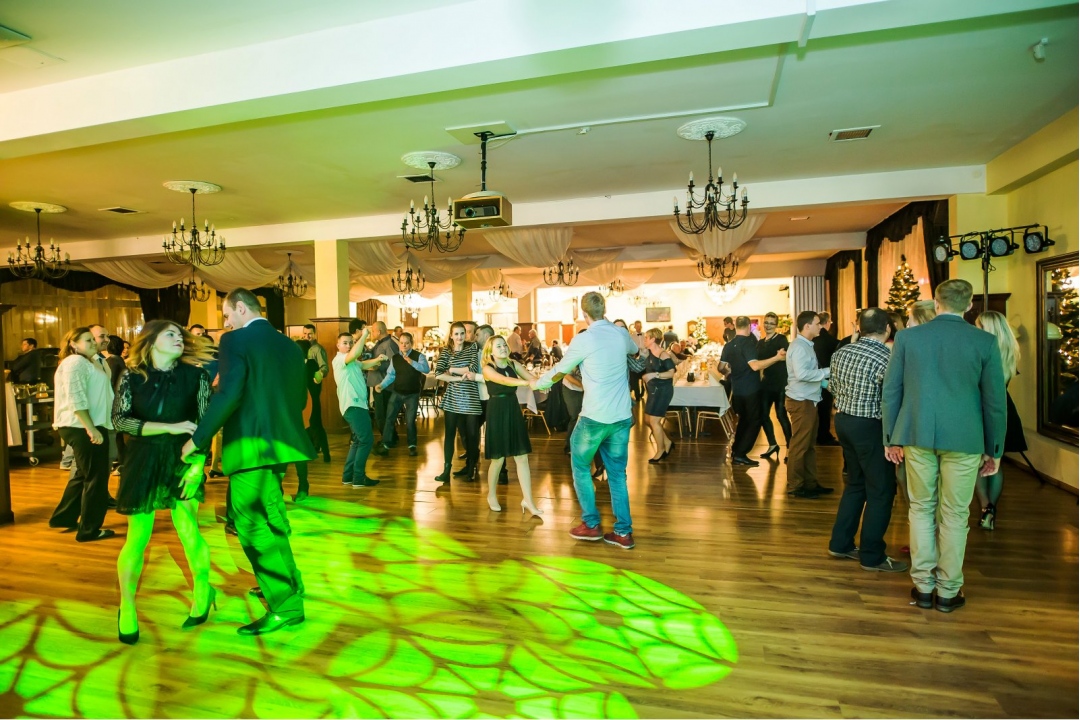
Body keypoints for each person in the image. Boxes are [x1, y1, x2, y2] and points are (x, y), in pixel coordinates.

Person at [182, 288, 316, 636]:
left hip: (250, 444)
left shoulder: (234, 340)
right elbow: (300, 397)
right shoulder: (289, 345)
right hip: (282, 443)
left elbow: (230, 393)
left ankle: (285, 604)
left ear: (241, 308)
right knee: (272, 516)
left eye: (227, 315)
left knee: (251, 524)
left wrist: (197, 439)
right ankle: (289, 583)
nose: (226, 323)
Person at [882, 279, 1006, 613]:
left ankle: (923, 587)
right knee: (955, 514)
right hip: (965, 438)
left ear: (936, 302)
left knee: (921, 508)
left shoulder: (907, 338)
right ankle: (949, 591)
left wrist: (891, 437)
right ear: (969, 305)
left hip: (917, 434)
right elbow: (995, 401)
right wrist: (994, 448)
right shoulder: (984, 341)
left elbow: (891, 391)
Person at [113, 320, 215, 644]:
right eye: (169, 333)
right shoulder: (132, 376)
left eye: (180, 334)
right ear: (151, 340)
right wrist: (169, 427)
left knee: (188, 529)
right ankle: (126, 606)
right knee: (137, 537)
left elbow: (205, 424)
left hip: (184, 457)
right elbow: (120, 420)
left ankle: (203, 590)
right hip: (142, 458)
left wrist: (198, 466)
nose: (178, 338)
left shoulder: (196, 376)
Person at [534, 292, 639, 550]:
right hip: (621, 416)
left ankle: (591, 525)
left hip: (594, 417)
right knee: (617, 475)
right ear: (604, 310)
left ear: (583, 314)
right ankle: (623, 532)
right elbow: (636, 350)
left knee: (580, 467)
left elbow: (560, 370)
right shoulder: (620, 334)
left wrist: (538, 383)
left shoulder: (584, 339)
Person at [826, 308, 908, 573]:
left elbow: (833, 388)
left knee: (855, 484)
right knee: (881, 490)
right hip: (870, 426)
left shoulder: (841, 352)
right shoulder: (887, 357)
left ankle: (840, 543)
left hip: (843, 422)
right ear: (888, 328)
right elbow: (890, 399)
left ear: (860, 328)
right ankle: (872, 555)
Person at [49, 326, 116, 542]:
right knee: (96, 477)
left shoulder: (91, 361)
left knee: (82, 474)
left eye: (93, 339)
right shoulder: (74, 362)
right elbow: (75, 398)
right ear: (73, 344)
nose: (94, 343)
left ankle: (64, 517)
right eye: (88, 340)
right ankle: (90, 530)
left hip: (90, 424)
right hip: (82, 425)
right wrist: (91, 428)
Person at [974, 311, 1027, 531]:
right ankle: (991, 509)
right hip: (1004, 408)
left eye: (977, 326)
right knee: (996, 462)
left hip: (981, 408)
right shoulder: (1010, 350)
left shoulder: (982, 350)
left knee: (978, 463)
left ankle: (984, 505)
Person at [481, 336, 543, 516]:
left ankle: (528, 500)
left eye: (504, 345)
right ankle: (491, 495)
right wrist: (526, 383)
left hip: (512, 408)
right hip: (497, 410)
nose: (503, 348)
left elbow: (532, 378)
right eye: (498, 346)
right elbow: (503, 380)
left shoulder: (513, 364)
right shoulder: (488, 368)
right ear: (490, 351)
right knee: (498, 459)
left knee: (522, 456)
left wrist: (543, 381)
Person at [722, 316, 786, 467]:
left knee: (744, 421)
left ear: (735, 326)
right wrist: (777, 358)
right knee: (754, 421)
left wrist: (732, 371)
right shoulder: (749, 343)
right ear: (749, 326)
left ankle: (736, 451)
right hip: (750, 390)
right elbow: (755, 366)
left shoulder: (729, 345)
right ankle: (741, 454)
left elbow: (721, 368)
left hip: (737, 391)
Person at [785, 311, 832, 497]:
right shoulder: (799, 347)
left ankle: (810, 483)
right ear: (807, 326)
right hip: (801, 401)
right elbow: (802, 374)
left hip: (809, 399)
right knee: (800, 445)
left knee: (809, 445)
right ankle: (796, 486)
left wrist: (826, 384)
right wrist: (828, 371)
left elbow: (810, 373)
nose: (821, 326)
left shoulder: (806, 345)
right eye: (817, 323)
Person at [334, 322, 387, 489]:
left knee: (358, 441)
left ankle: (348, 476)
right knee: (366, 440)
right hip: (353, 405)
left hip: (356, 405)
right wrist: (364, 335)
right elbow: (355, 354)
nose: (348, 345)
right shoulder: (340, 359)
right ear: (338, 345)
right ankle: (359, 477)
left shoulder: (352, 361)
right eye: (345, 343)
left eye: (350, 342)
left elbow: (363, 364)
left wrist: (377, 359)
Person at [434, 321, 482, 483]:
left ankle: (472, 468)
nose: (460, 337)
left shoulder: (472, 347)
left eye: (462, 333)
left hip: (471, 397)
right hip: (453, 397)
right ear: (451, 335)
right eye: (456, 334)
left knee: (472, 435)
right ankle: (446, 470)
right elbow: (438, 373)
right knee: (449, 434)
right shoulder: (446, 351)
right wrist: (458, 378)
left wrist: (452, 370)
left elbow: (473, 369)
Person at [373, 331, 430, 458]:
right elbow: (391, 375)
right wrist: (381, 385)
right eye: (402, 343)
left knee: (410, 421)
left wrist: (412, 362)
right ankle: (385, 445)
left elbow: (426, 369)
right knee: (389, 418)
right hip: (397, 392)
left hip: (412, 394)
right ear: (399, 344)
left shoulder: (418, 356)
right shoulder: (395, 358)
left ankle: (412, 446)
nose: (404, 345)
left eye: (407, 343)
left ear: (411, 343)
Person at [757, 312, 791, 459]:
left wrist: (775, 359)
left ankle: (790, 447)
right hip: (766, 382)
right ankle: (772, 444)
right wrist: (776, 358)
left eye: (771, 323)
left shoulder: (781, 339)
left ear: (776, 325)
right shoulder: (760, 342)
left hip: (780, 382)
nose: (768, 326)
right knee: (763, 415)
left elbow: (786, 357)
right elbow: (758, 362)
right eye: (766, 322)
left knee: (781, 415)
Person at [641, 328, 677, 463]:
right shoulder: (649, 353)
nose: (644, 340)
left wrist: (654, 375)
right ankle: (667, 442)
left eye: (646, 337)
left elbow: (671, 373)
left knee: (654, 421)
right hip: (653, 391)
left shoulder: (663, 354)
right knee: (647, 420)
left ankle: (660, 450)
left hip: (663, 391)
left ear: (652, 339)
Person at [366, 322, 402, 446]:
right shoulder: (379, 343)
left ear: (379, 331)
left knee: (381, 415)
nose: (372, 333)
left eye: (373, 331)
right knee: (384, 414)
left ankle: (387, 440)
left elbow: (395, 363)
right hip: (379, 383)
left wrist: (377, 366)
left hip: (383, 384)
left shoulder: (389, 344)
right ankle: (392, 437)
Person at [289, 339, 316, 501]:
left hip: (298, 406)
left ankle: (303, 485)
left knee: (297, 448)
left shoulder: (300, 365)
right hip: (291, 406)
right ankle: (302, 486)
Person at [301, 324, 331, 463]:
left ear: (315, 334)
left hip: (312, 389)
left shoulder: (317, 349)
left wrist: (318, 376)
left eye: (310, 334)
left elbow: (324, 368)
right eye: (305, 333)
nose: (307, 336)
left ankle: (317, 448)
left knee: (314, 422)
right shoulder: (303, 347)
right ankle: (314, 448)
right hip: (305, 391)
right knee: (311, 422)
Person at [813, 311, 840, 446]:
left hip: (812, 378)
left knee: (816, 409)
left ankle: (817, 434)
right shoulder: (830, 340)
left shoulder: (812, 339)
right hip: (825, 378)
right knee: (825, 408)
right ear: (827, 323)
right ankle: (824, 436)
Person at [629, 321, 647, 401]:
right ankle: (637, 395)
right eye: (637, 326)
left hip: (644, 357)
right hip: (635, 357)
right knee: (634, 374)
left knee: (646, 374)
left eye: (640, 326)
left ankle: (644, 392)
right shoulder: (631, 336)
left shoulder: (645, 335)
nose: (639, 328)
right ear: (635, 327)